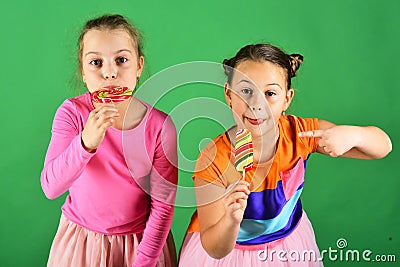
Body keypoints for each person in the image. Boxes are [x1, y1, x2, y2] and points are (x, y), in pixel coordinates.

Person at [178, 43, 392, 266]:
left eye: (270, 93)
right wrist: (231, 220)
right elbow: (215, 248)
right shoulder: (213, 159)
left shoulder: (300, 133)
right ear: (228, 94)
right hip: (229, 254)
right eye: (246, 91)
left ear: (287, 99)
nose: (256, 104)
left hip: (289, 245)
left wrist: (354, 135)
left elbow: (383, 147)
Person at [40, 14, 177, 267]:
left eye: (121, 60)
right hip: (81, 242)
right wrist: (85, 143)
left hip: (142, 244)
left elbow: (163, 207)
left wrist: (144, 262)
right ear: (83, 71)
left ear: (138, 67)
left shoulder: (160, 127)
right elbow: (51, 187)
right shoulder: (71, 113)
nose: (110, 72)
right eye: (96, 62)